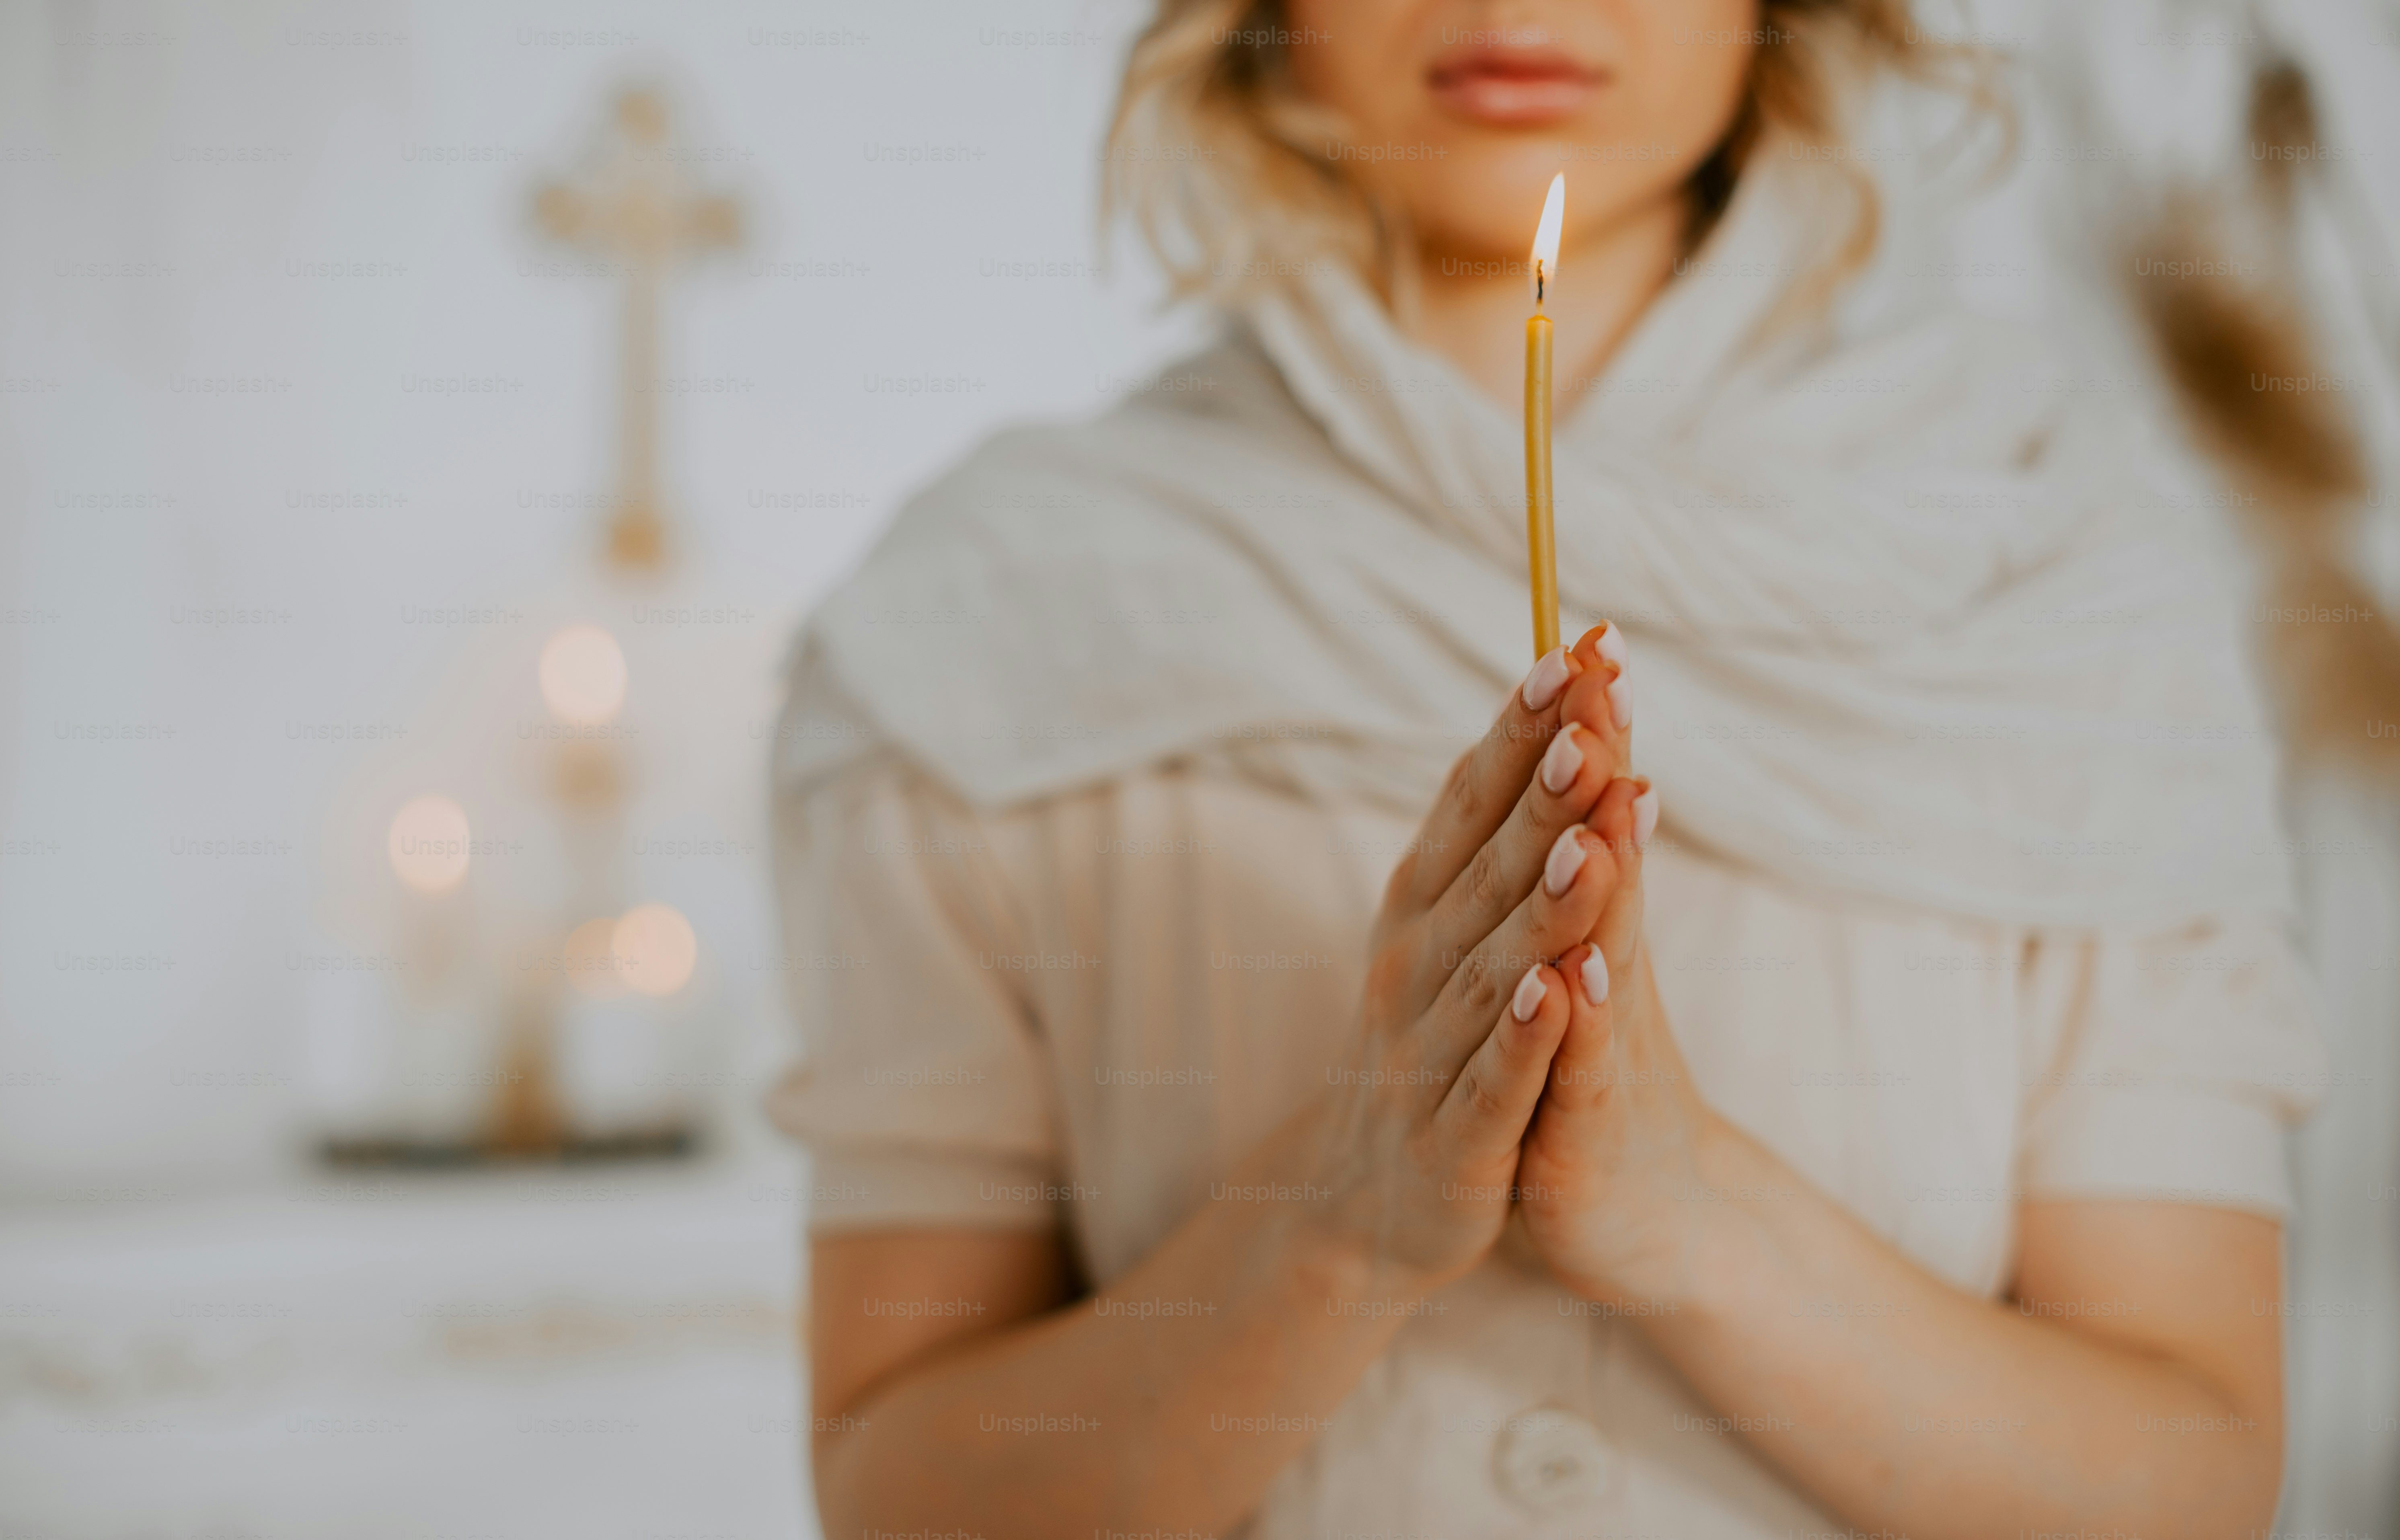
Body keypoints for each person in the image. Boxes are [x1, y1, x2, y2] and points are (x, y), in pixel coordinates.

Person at [767, 3, 2323, 1535]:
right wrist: (1340, 1225)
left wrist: (1693, 1216)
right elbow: (905, 1494)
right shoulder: (986, 626)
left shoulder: (2055, 580)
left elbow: (2186, 1479)